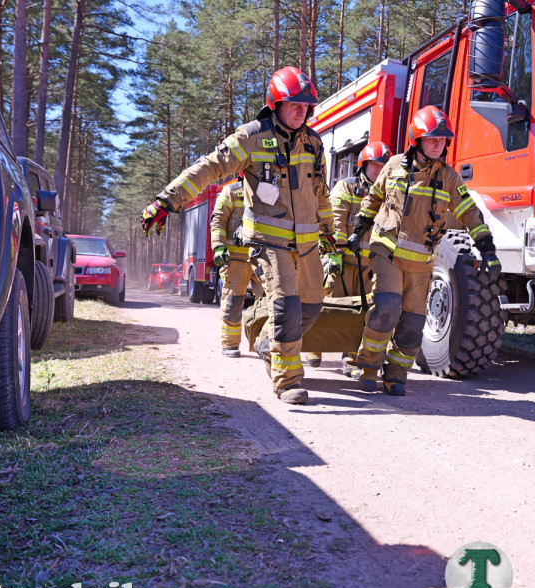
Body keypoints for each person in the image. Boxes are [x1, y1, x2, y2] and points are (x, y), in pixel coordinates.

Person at [141, 66, 335, 405]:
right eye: (294, 105)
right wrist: (167, 200)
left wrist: (330, 232)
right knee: (287, 309)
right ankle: (288, 382)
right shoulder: (250, 137)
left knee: (312, 309)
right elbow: (208, 168)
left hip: (306, 247)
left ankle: (266, 344)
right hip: (268, 244)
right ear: (275, 104)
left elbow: (321, 193)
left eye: (306, 106)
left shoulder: (314, 143)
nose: (301, 111)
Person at [346, 106, 500, 395]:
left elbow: (470, 214)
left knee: (414, 323)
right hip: (387, 253)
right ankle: (368, 366)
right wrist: (357, 229)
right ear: (417, 139)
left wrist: (487, 249)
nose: (438, 144)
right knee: (386, 309)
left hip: (420, 262)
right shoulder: (392, 167)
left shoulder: (450, 179)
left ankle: (396, 374)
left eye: (442, 139)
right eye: (432, 139)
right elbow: (374, 198)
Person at [305, 141, 390, 374]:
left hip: (369, 265)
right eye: (374, 165)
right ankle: (313, 347)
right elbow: (337, 221)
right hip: (341, 263)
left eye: (383, 166)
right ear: (363, 166)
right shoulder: (347, 187)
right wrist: (336, 254)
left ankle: (351, 362)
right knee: (328, 306)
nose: (379, 170)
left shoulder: (388, 194)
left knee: (361, 314)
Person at [210, 178, 256, 357]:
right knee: (233, 302)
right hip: (236, 258)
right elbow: (218, 220)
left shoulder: (271, 189)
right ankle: (230, 344)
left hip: (263, 257)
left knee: (269, 303)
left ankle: (264, 343)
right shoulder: (231, 191)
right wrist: (219, 246)